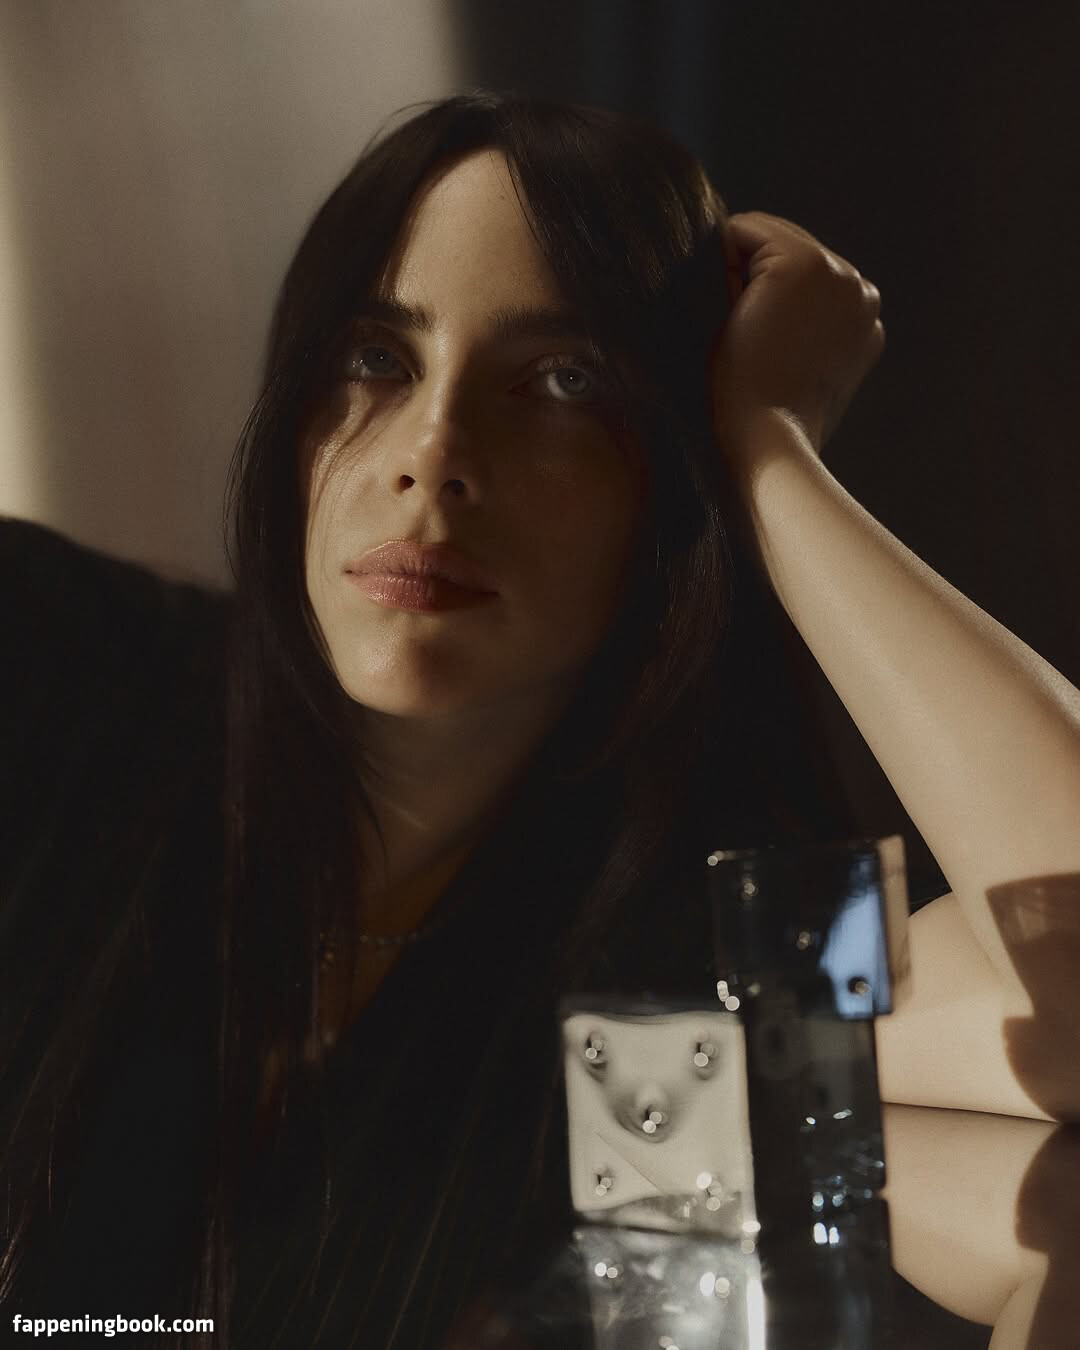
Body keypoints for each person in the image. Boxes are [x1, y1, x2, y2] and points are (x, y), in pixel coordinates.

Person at [2, 87, 1078, 1348]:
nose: (435, 451)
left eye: (562, 380)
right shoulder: (56, 664)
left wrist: (770, 455)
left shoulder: (677, 994)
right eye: (376, 358)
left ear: (667, 471)